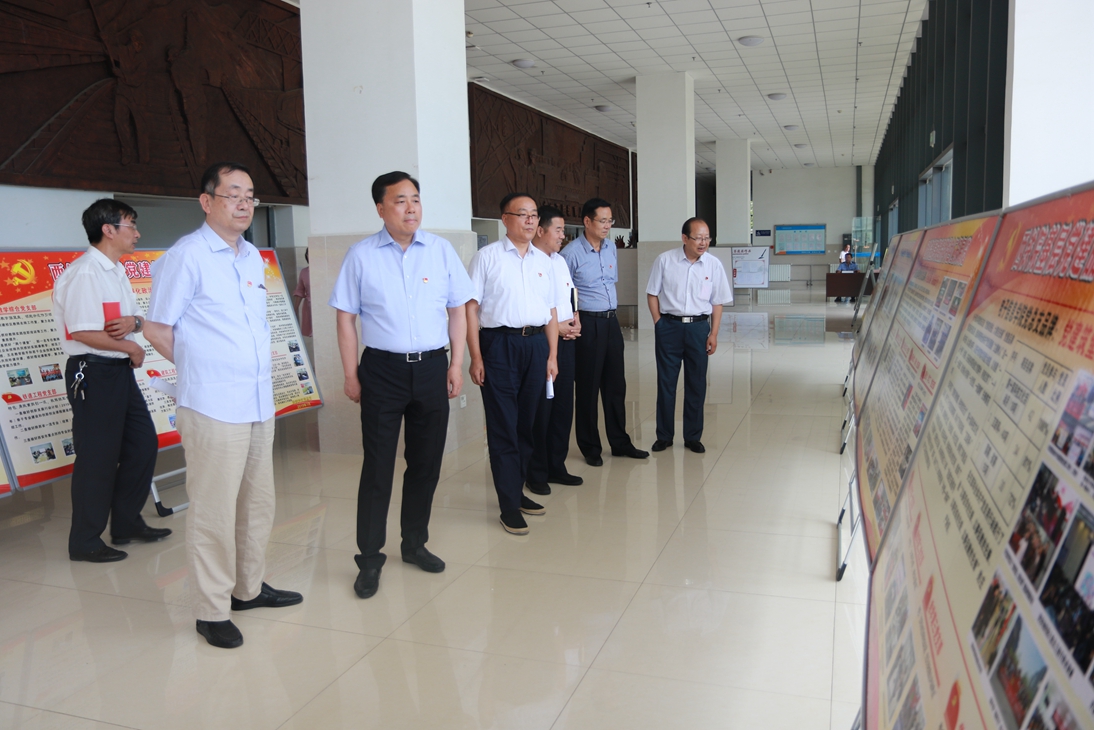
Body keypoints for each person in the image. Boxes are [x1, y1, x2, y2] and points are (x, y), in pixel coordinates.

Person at [144, 162, 302, 650]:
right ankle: (210, 610)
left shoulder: (252, 256)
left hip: (257, 400)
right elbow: (157, 328)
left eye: (250, 196)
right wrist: (201, 369)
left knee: (257, 502)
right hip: (212, 403)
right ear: (207, 201)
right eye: (233, 194)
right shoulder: (186, 256)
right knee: (213, 510)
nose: (244, 204)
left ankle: (247, 590)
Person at [330, 171, 474, 600]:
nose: (411, 208)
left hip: (432, 368)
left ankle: (414, 544)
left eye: (415, 200)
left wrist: (457, 363)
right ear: (381, 208)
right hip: (382, 371)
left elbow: (458, 310)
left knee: (426, 463)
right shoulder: (360, 255)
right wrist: (351, 374)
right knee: (377, 467)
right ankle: (369, 558)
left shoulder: (441, 251)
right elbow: (345, 318)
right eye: (400, 201)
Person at [53, 199, 171, 563]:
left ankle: (126, 523)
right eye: (131, 225)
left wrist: (134, 328)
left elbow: (131, 318)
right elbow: (83, 331)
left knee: (142, 445)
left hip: (117, 371)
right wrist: (131, 348)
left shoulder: (115, 270)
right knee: (98, 458)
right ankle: (85, 540)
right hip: (94, 372)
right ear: (108, 229)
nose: (137, 233)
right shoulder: (86, 273)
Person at [467, 193, 559, 534]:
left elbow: (551, 311)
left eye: (534, 214)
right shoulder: (486, 257)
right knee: (503, 425)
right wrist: (476, 357)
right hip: (499, 345)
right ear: (505, 219)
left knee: (526, 425)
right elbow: (470, 309)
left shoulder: (543, 261)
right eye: (523, 214)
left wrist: (552, 355)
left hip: (536, 345)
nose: (531, 220)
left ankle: (517, 492)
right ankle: (508, 505)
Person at [560, 198, 648, 466]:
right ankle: (590, 447)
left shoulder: (610, 247)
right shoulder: (571, 253)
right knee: (588, 387)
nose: (608, 226)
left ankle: (620, 442)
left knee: (615, 385)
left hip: (611, 322)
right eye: (603, 220)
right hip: (587, 324)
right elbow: (563, 293)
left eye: (610, 221)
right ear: (587, 221)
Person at [646, 218, 732, 454]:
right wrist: (658, 323)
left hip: (698, 329)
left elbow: (717, 302)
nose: (703, 243)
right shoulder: (665, 260)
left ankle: (693, 437)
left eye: (707, 238)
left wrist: (713, 333)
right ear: (685, 238)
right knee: (666, 383)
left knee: (696, 383)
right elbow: (652, 293)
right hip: (669, 327)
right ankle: (664, 436)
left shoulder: (713, 265)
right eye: (698, 238)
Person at [527, 206, 583, 495]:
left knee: (562, 406)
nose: (563, 235)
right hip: (542, 341)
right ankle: (536, 472)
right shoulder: (529, 261)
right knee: (541, 409)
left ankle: (556, 465)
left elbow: (570, 293)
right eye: (558, 230)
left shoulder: (560, 261)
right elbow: (535, 305)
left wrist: (575, 317)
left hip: (567, 342)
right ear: (541, 230)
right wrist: (556, 328)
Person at [291, 249, 312, 338]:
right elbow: (300, 290)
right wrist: (295, 309)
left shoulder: (323, 271)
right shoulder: (304, 272)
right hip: (308, 306)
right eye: (308, 254)